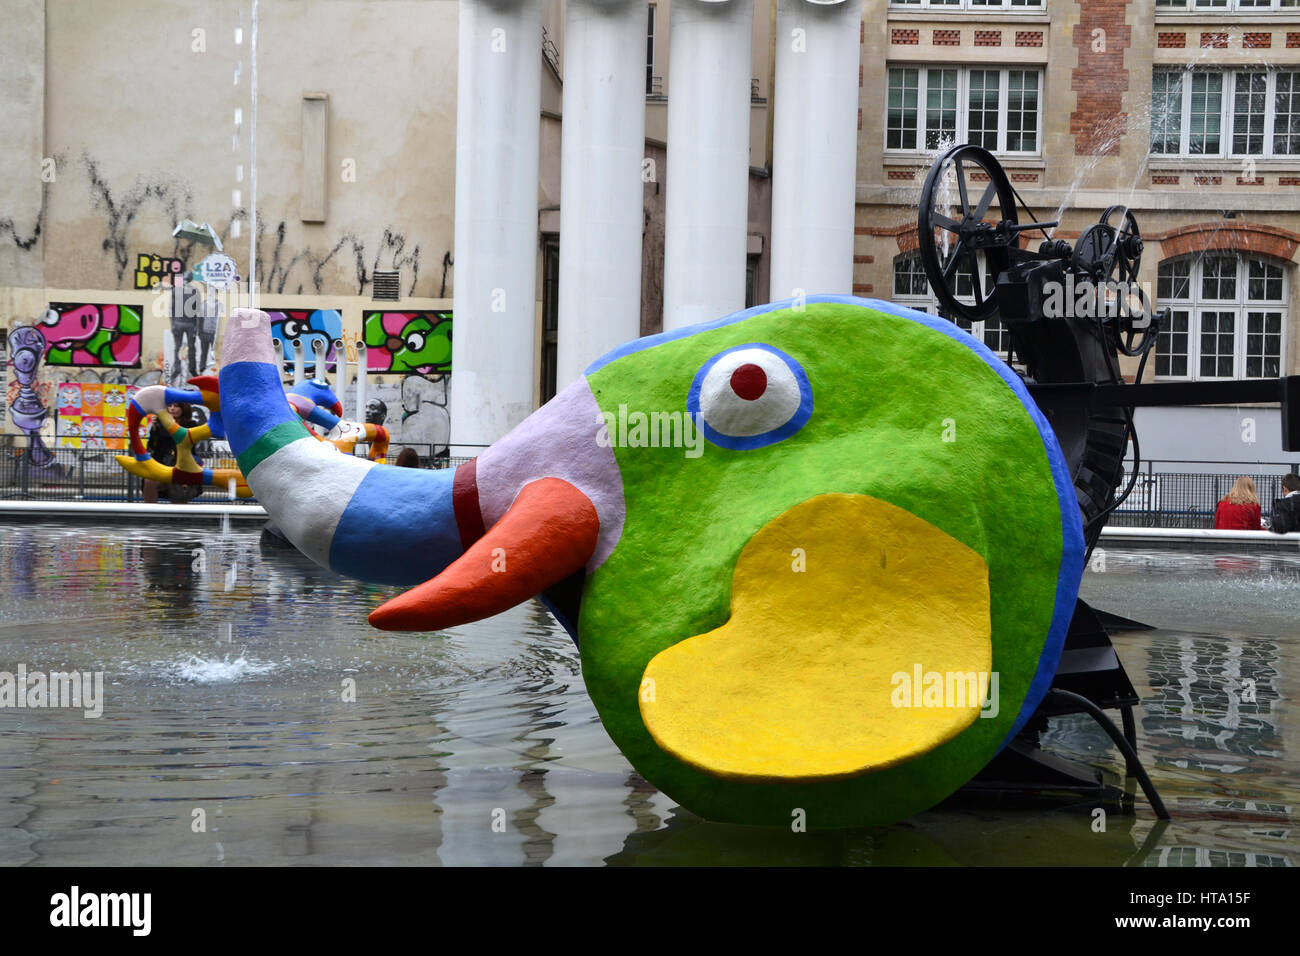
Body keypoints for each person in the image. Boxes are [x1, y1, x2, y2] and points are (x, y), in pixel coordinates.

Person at [142, 402, 204, 504]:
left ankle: (178, 517)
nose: (172, 409)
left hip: (182, 467)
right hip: (162, 466)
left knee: (178, 492)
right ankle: (150, 514)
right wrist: (154, 429)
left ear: (183, 408)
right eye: (170, 406)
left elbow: (180, 439)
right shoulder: (160, 425)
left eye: (176, 406)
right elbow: (152, 446)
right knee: (149, 481)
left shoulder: (190, 425)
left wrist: (170, 424)